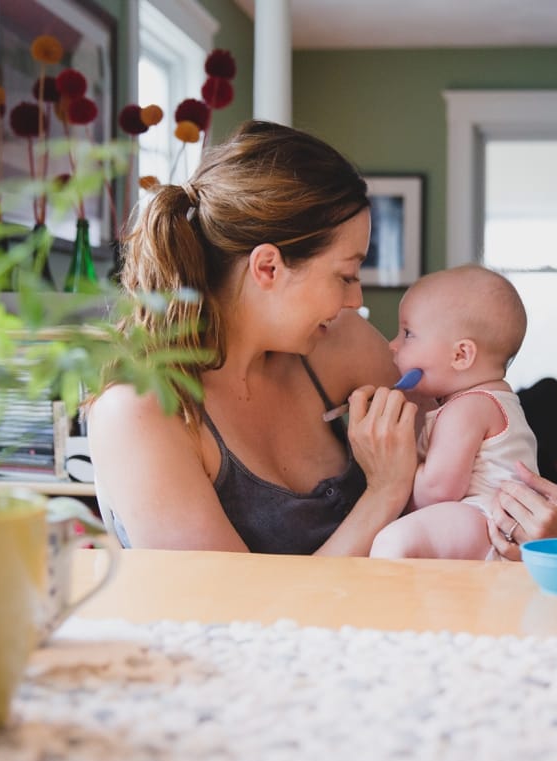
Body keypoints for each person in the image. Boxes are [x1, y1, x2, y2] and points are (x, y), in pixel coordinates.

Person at [87, 120, 420, 556]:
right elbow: (237, 612)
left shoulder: (341, 344)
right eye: (345, 275)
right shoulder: (141, 410)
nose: (353, 299)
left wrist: (516, 525)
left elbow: (468, 448)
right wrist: (384, 492)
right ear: (268, 268)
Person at [369, 266, 542, 560]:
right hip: (499, 530)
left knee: (393, 541)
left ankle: (384, 603)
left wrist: (392, 466)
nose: (393, 345)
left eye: (408, 334)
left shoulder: (466, 408)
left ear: (461, 355)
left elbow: (436, 492)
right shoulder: (494, 399)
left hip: (485, 521)